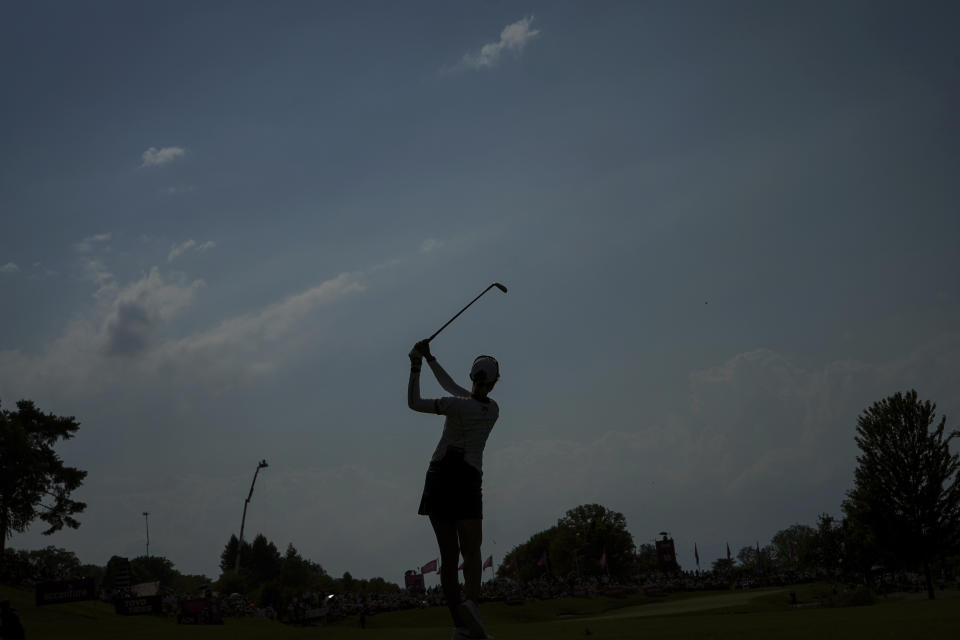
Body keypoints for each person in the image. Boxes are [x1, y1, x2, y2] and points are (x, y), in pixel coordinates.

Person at [408, 339, 499, 640]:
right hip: (468, 478)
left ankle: (459, 625)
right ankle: (470, 603)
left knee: (449, 557)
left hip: (440, 476)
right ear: (494, 382)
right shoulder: (492, 410)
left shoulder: (455, 405)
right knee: (472, 552)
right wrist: (430, 358)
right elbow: (455, 388)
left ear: (472, 377)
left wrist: (417, 364)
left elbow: (414, 402)